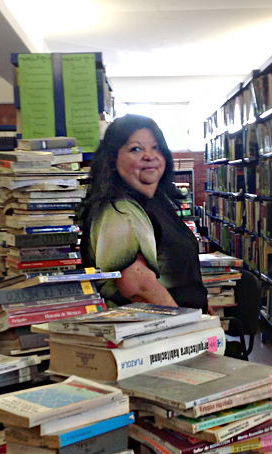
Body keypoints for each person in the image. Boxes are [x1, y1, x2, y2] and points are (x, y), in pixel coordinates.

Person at [77, 114, 209, 313]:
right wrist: (190, 327)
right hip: (159, 334)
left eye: (155, 147)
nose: (149, 155)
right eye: (135, 149)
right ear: (112, 160)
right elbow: (138, 287)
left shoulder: (154, 202)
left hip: (178, 331)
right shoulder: (120, 210)